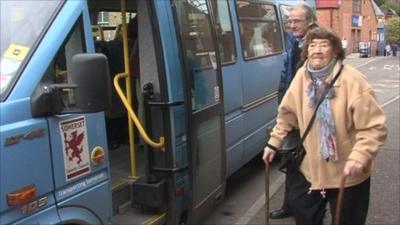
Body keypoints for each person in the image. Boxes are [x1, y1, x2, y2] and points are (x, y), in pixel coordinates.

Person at [263, 27, 388, 225]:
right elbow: (287, 114)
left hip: (347, 171)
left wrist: (360, 156)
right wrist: (274, 143)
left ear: (336, 51)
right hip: (311, 168)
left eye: (324, 45)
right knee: (304, 214)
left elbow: (374, 127)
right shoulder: (301, 77)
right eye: (312, 45)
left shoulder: (353, 80)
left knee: (348, 220)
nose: (317, 50)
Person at [270, 2, 317, 220]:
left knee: (307, 164)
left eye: (297, 21)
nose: (292, 24)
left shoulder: (316, 44)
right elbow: (285, 78)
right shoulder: (294, 40)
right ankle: (289, 205)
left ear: (309, 22)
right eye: (290, 21)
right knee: (291, 160)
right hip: (292, 112)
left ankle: (311, 208)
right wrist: (283, 106)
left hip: (309, 116)